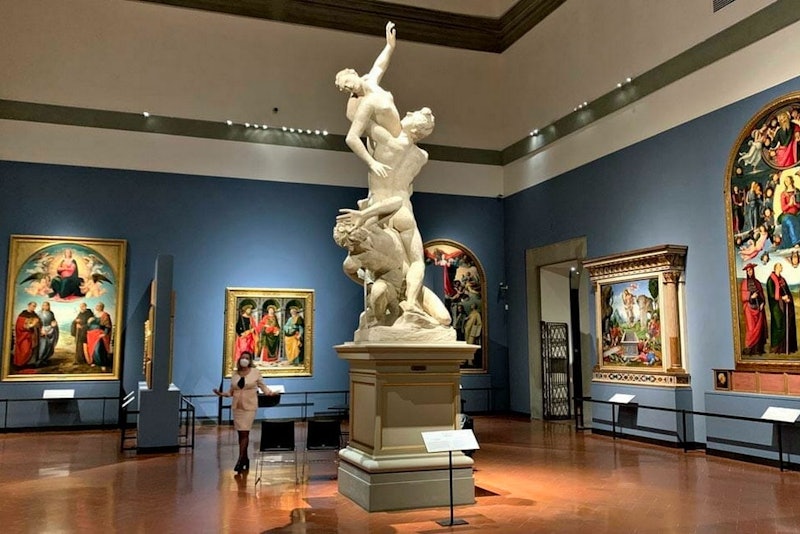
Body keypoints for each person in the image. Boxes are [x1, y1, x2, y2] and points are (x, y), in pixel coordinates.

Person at [335, 21, 401, 180]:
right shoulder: (359, 106)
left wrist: (390, 46)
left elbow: (380, 66)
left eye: (347, 81)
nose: (348, 87)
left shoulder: (370, 81)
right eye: (345, 88)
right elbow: (354, 136)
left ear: (353, 73)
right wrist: (372, 163)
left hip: (399, 136)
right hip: (386, 146)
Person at [213, 353, 277, 473]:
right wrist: (221, 394)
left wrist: (270, 393)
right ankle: (245, 458)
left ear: (250, 360)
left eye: (247, 358)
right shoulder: (235, 374)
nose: (244, 360)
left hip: (249, 407)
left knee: (244, 432)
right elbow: (231, 391)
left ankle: (240, 460)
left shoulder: (255, 372)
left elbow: (263, 387)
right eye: (243, 358)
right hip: (237, 407)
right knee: (241, 434)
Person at [766, 261, 797, 354]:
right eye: (780, 266)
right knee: (778, 325)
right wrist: (782, 298)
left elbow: (786, 290)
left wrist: (788, 298)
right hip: (776, 307)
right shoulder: (771, 280)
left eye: (781, 266)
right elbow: (772, 294)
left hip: (784, 304)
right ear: (776, 268)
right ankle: (776, 348)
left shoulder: (782, 279)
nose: (781, 268)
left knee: (786, 323)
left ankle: (785, 348)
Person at [740, 263, 767, 355]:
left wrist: (762, 303)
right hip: (749, 309)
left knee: (759, 329)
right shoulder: (744, 283)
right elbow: (743, 296)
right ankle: (750, 350)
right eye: (748, 271)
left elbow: (761, 295)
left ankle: (758, 349)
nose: (749, 272)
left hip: (758, 308)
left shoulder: (757, 282)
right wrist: (751, 296)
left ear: (753, 270)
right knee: (751, 329)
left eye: (750, 270)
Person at [85, 302, 112, 370]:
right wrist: (89, 322)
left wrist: (104, 333)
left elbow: (108, 326)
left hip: (99, 334)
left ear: (101, 307)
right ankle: (94, 361)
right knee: (93, 349)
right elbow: (89, 325)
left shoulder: (105, 315)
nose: (96, 307)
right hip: (92, 334)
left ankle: (102, 364)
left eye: (98, 306)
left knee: (99, 348)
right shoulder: (94, 315)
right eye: (96, 306)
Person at [13, 301, 41, 367]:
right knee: (25, 350)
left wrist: (37, 325)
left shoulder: (35, 315)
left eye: (35, 306)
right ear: (29, 305)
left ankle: (29, 363)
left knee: (33, 349)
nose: (33, 307)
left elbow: (39, 324)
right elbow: (19, 326)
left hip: (33, 336)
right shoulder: (23, 314)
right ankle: (20, 364)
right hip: (25, 335)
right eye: (32, 306)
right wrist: (30, 325)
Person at [34, 301, 59, 367]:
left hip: (50, 331)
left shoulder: (51, 313)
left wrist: (54, 324)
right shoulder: (39, 313)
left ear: (48, 306)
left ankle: (44, 359)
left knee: (49, 346)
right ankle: (39, 361)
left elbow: (53, 321)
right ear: (42, 306)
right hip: (42, 331)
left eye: (46, 305)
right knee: (42, 346)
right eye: (44, 305)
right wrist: (41, 330)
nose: (45, 306)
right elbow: (36, 323)